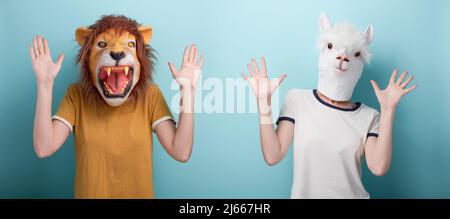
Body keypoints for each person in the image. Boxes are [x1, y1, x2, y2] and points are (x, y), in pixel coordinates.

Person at [241, 13, 417, 198]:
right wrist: (263, 103)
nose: (343, 58)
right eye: (332, 47)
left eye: (355, 54)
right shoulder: (297, 100)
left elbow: (379, 167)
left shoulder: (370, 116)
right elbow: (272, 155)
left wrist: (388, 110)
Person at [30, 15, 203, 198]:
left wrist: (188, 89)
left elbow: (181, 152)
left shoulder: (150, 96)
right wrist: (44, 83)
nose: (117, 52)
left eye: (130, 45)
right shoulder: (76, 96)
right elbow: (44, 147)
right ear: (88, 61)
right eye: (103, 45)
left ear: (141, 60)